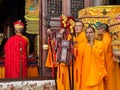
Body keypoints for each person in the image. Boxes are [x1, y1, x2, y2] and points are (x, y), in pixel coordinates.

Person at [97, 23, 114, 90]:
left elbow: (103, 51)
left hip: (108, 62)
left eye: (98, 29)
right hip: (108, 61)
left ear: (102, 30)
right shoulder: (105, 37)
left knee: (109, 81)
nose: (97, 31)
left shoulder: (106, 39)